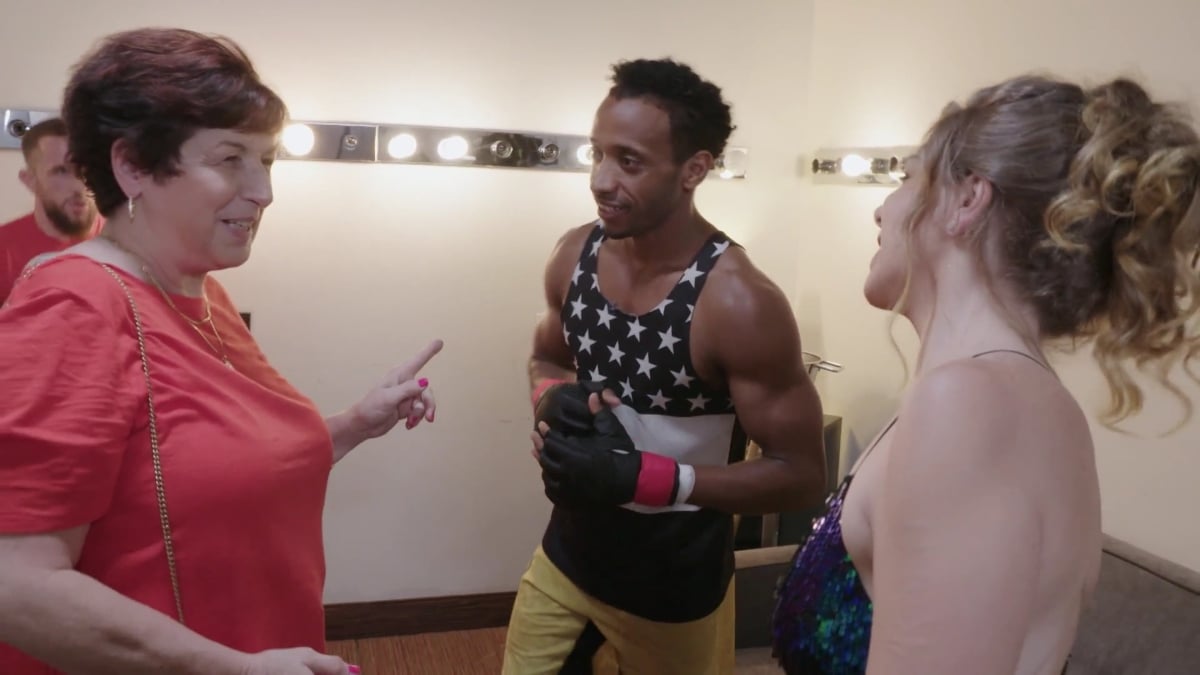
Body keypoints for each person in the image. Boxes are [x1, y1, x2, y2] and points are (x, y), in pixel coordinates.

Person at [0, 28, 442, 675]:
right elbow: (16, 582)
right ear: (133, 167)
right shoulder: (75, 305)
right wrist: (228, 666)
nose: (263, 191)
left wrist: (352, 424)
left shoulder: (200, 292)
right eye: (231, 159)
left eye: (267, 161)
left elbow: (205, 465)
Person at [772, 74, 1200, 674]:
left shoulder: (969, 405)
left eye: (904, 176)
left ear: (967, 198)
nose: (882, 206)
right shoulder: (1002, 394)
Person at [502, 58, 828, 675]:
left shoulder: (737, 300)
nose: (600, 180)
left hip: (675, 589)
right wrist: (551, 396)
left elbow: (802, 474)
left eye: (629, 161)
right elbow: (548, 355)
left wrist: (649, 480)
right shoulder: (575, 252)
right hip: (566, 558)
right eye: (597, 154)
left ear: (694, 170)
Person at [0, 117, 102, 304]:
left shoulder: (130, 242)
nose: (80, 186)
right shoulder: (3, 250)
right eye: (61, 171)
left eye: (87, 169)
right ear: (30, 180)